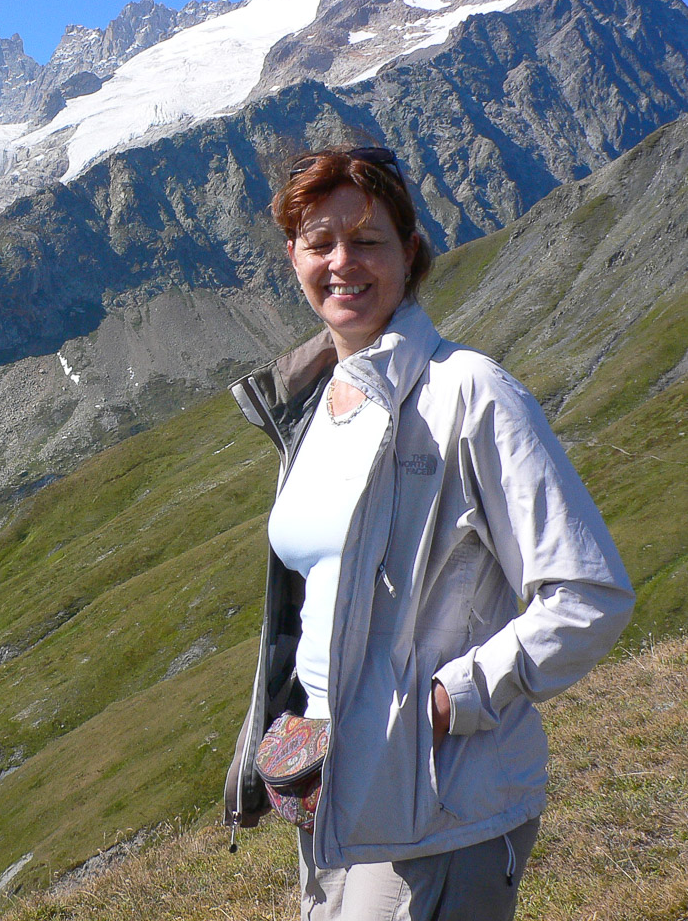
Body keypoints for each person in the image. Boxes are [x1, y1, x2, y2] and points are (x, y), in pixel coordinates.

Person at [221, 145, 634, 920]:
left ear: (409, 253)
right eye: (320, 242)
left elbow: (589, 592)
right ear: (292, 258)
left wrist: (446, 702)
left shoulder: (470, 393)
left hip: (439, 810)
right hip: (334, 796)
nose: (343, 262)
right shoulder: (316, 404)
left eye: (368, 240)